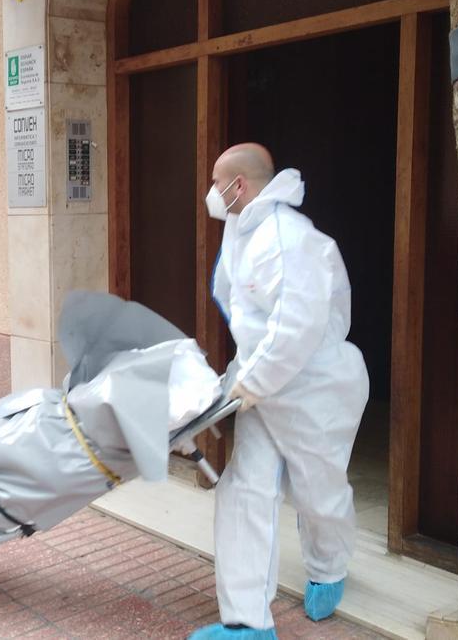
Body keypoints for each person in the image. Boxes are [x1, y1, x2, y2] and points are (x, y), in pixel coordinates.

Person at [191, 144, 369, 639]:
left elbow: (297, 325)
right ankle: (247, 621)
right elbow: (249, 319)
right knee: (243, 491)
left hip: (315, 387)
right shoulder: (241, 232)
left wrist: (254, 381)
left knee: (319, 492)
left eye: (216, 181)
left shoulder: (290, 240)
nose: (212, 192)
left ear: (239, 186)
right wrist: (239, 380)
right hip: (262, 389)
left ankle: (329, 567)